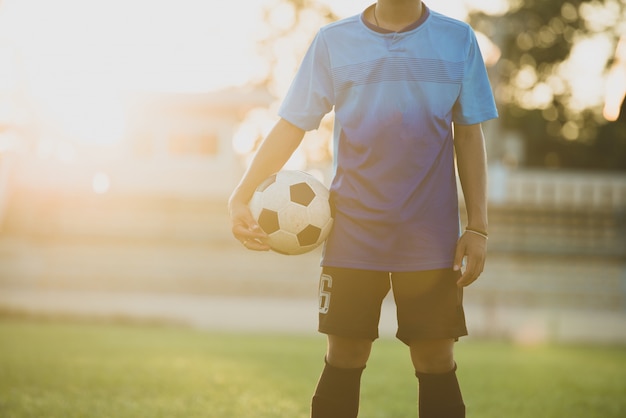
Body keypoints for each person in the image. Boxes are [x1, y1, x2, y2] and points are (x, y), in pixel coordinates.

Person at [228, 0, 498, 416]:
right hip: (353, 233)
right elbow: (293, 123)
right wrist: (241, 194)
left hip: (430, 237)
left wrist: (477, 227)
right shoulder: (334, 42)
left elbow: (468, 134)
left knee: (435, 359)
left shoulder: (457, 39)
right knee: (346, 354)